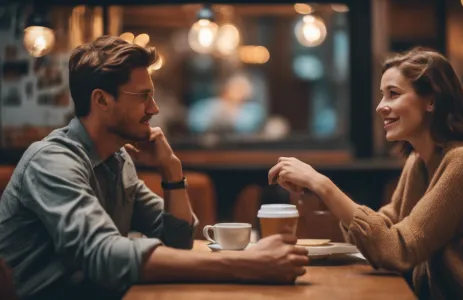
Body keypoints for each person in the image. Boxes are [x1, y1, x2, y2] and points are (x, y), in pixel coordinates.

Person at [0, 36, 308, 300]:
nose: (154, 109)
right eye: (143, 97)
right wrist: (246, 265)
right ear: (101, 100)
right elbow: (105, 256)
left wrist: (171, 171)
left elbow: (177, 241)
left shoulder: (116, 160)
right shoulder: (52, 162)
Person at [268, 48, 463, 299]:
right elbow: (384, 229)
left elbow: (396, 250)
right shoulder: (419, 161)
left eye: (393, 94)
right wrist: (322, 191)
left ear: (431, 100)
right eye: (382, 95)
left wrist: (321, 184)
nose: (381, 106)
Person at [187, 72, 266, 135]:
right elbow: (193, 123)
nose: (238, 92)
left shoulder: (253, 110)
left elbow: (249, 127)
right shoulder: (207, 105)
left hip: (241, 149)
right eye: (235, 87)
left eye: (242, 89)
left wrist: (232, 115)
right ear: (226, 89)